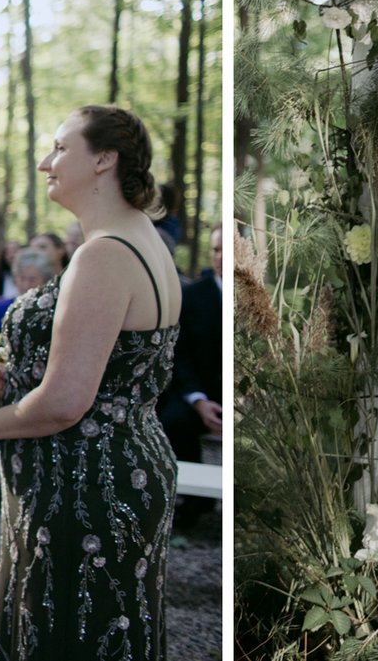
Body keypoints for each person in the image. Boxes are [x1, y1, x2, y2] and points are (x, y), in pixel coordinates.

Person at [0, 104, 181, 660]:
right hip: (126, 464)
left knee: (70, 637)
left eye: (60, 148)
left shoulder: (104, 255)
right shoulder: (142, 239)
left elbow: (65, 401)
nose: (43, 163)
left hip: (85, 488)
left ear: (105, 159)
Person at [162, 227, 225, 533]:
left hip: (246, 399)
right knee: (172, 420)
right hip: (202, 397)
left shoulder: (258, 296)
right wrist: (200, 401)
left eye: (228, 250)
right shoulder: (193, 295)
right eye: (216, 250)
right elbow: (180, 355)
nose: (221, 257)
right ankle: (192, 502)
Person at [0, 249, 52, 329]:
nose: (26, 285)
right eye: (22, 278)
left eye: (32, 280)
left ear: (45, 281)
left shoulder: (51, 311)